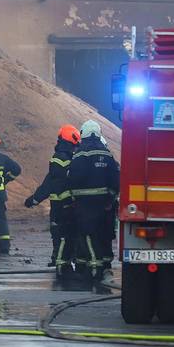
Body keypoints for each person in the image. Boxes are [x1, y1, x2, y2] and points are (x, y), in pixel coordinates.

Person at [24, 124, 81, 277]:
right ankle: (69, 259)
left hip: (59, 205)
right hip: (72, 204)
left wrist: (35, 199)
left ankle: (60, 261)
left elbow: (50, 182)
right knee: (70, 234)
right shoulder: (74, 157)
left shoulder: (58, 158)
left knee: (60, 233)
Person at [67, 119, 119, 285]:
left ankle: (95, 271)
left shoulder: (80, 154)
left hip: (85, 204)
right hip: (104, 205)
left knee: (88, 234)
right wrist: (110, 198)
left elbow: (73, 178)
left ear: (84, 134)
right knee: (102, 235)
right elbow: (115, 180)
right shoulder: (107, 154)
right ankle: (102, 267)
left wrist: (74, 198)